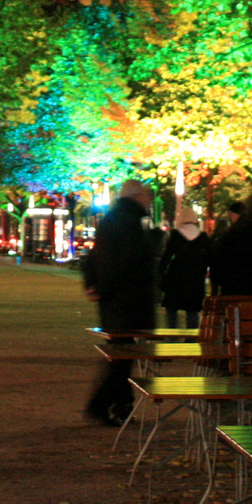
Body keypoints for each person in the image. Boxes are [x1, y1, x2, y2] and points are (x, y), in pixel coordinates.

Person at [81, 178, 158, 427]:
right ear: (136, 196)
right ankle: (103, 405)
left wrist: (93, 284)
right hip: (126, 300)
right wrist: (103, 287)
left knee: (122, 356)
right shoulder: (129, 223)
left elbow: (96, 255)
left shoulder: (116, 219)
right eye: (147, 196)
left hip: (116, 299)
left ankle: (118, 405)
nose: (149, 200)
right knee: (122, 357)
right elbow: (126, 263)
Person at [158, 205, 211, 329]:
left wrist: (161, 273)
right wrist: (203, 271)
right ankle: (191, 340)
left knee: (172, 311)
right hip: (195, 279)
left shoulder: (176, 234)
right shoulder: (202, 237)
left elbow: (167, 256)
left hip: (176, 277)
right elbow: (208, 258)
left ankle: (171, 338)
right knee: (192, 312)